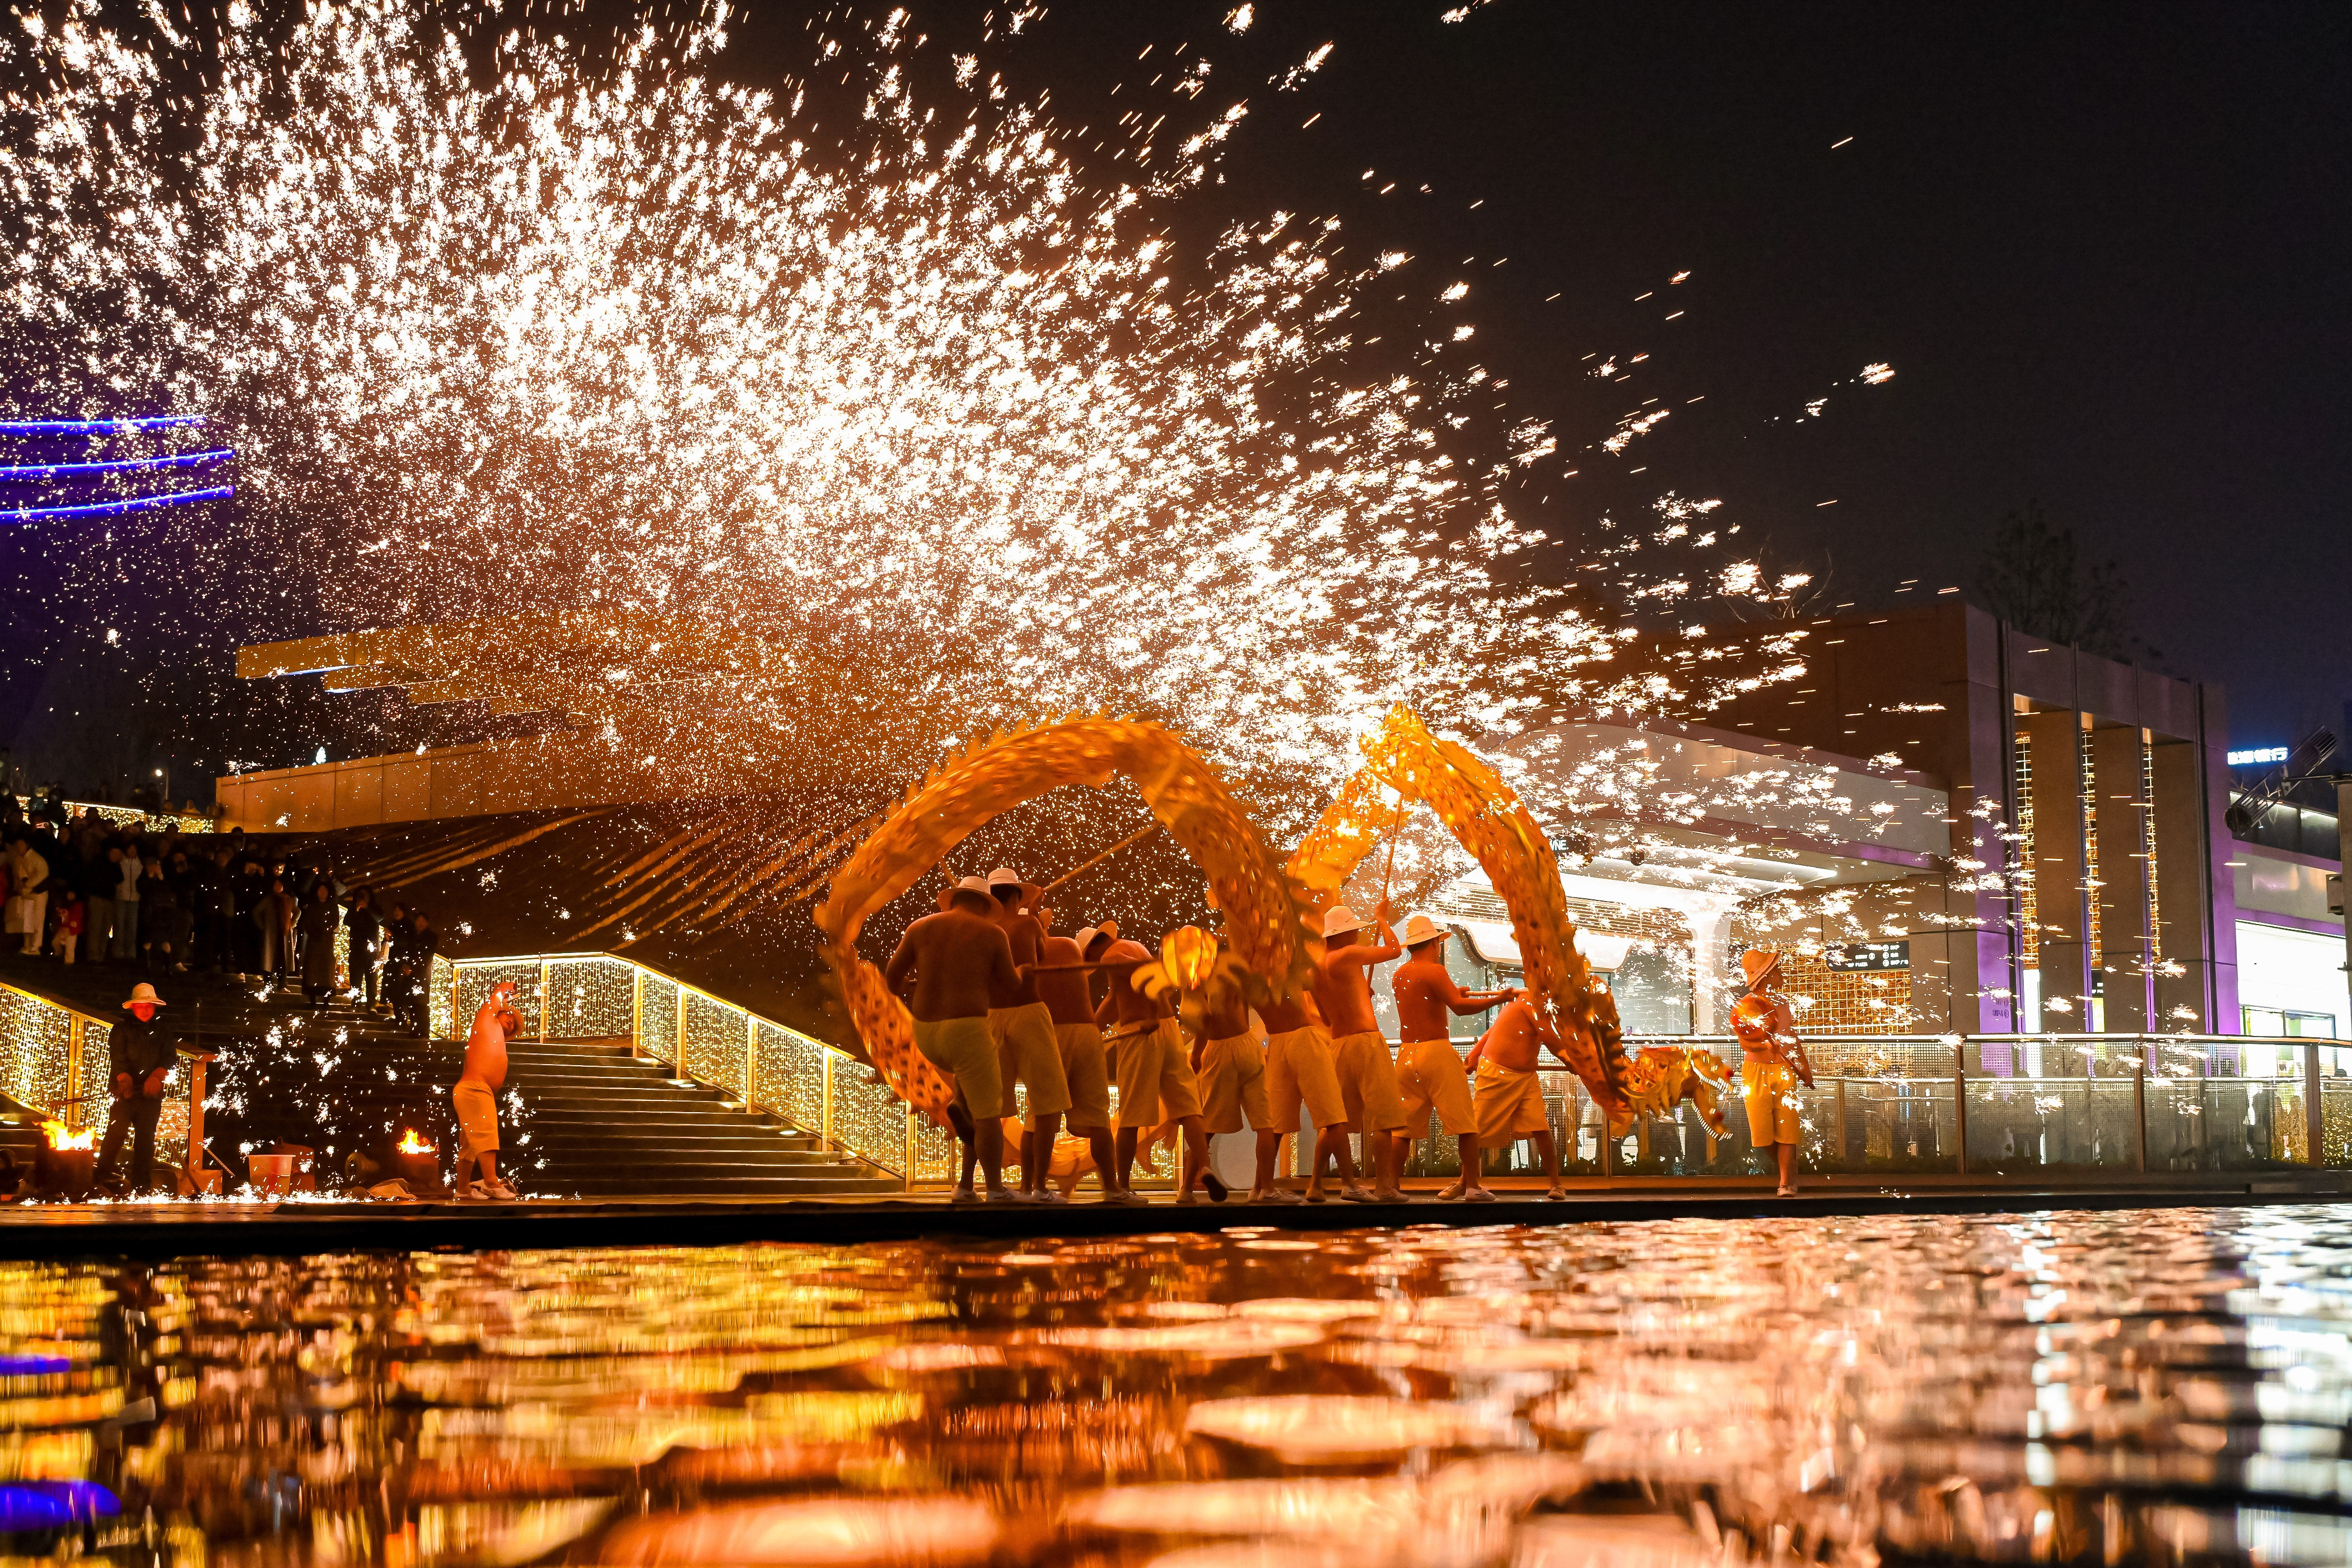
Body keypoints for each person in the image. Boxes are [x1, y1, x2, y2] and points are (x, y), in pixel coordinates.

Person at [883, 875, 1025, 1202]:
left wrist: (908, 987)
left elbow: (892, 978)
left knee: (970, 1100)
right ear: (984, 904)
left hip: (927, 1032)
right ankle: (995, 1189)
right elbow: (1011, 986)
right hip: (967, 1030)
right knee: (989, 1114)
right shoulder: (992, 933)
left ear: (957, 899)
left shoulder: (919, 928)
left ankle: (964, 1185)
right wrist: (1024, 973)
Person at [1094, 925, 1220, 1203]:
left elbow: (1148, 969)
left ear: (1093, 946)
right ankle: (1205, 1168)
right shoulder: (1133, 944)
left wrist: (1149, 1012)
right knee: (1187, 1107)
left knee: (1130, 1115)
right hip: (1169, 1030)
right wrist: (1092, 1027)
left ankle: (1122, 1188)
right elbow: (1117, 996)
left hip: (1145, 1032)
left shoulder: (1110, 956)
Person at [1390, 914, 1511, 1202]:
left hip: (1407, 1055)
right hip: (1436, 1052)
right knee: (1466, 1124)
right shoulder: (1435, 971)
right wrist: (1500, 998)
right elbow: (1458, 1008)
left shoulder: (1400, 975)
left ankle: (1391, 1186)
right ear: (1433, 943)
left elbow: (1427, 999)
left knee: (1403, 1129)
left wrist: (1452, 992)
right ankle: (1472, 1187)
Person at [983, 868, 1075, 1201]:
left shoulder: (984, 928)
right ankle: (1037, 1188)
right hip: (1028, 1011)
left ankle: (989, 1185)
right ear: (1016, 896)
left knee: (988, 1106)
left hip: (991, 1016)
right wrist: (1034, 912)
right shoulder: (1027, 923)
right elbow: (1043, 956)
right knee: (1049, 1101)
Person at [1312, 900, 1411, 1202]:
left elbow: (1327, 1018)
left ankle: (1317, 1184)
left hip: (1338, 1045)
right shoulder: (1348, 955)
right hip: (1366, 1042)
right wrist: (1382, 919)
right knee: (1384, 1116)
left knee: (1335, 1121)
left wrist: (1357, 992)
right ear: (1341, 935)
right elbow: (1395, 950)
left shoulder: (1315, 969)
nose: (1356, 936)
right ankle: (1383, 1187)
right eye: (1353, 931)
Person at [1038, 917, 1126, 1202]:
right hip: (1087, 1031)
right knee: (1098, 1117)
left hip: (1055, 1032)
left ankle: (1034, 1188)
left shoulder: (1023, 949)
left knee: (1042, 1115)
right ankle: (1112, 1189)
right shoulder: (1066, 947)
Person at [1464, 988, 1570, 1199]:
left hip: (1526, 1076)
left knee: (1540, 1127)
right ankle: (1468, 1184)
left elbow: (1494, 1031)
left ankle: (1557, 1185)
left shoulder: (1542, 1003)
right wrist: (1570, 1061)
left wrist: (1474, 1053)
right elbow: (1548, 1037)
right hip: (1496, 1071)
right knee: (1477, 1129)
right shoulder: (1529, 999)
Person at [1190, 956, 1279, 1203]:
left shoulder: (1198, 976)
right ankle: (1265, 1189)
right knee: (1265, 1123)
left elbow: (1203, 1018)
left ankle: (1186, 1190)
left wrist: (1196, 1053)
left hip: (1218, 1049)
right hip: (1247, 1044)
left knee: (1206, 1126)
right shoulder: (1238, 971)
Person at [1259, 983, 1357, 1202]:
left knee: (1275, 1124)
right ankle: (1350, 1184)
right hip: (1303, 1038)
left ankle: (1262, 1187)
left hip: (1277, 1041)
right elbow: (1327, 1016)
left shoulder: (1246, 973)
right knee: (1333, 1114)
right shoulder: (1285, 962)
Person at [1732, 949, 1812, 1197]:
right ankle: (1788, 1172)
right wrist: (1766, 1045)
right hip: (1756, 1071)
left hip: (1784, 1070)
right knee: (1763, 1133)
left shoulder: (1783, 1004)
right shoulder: (1745, 1006)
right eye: (1777, 971)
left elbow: (1792, 1038)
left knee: (1787, 1126)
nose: (1782, 975)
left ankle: (1786, 1182)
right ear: (1765, 976)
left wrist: (1803, 1068)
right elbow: (1746, 1041)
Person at [97, 982, 180, 1196]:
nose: (145, 1009)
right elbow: (118, 1058)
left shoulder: (164, 1031)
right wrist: (123, 1079)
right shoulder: (120, 1030)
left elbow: (170, 1057)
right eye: (141, 1005)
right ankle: (101, 1178)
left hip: (150, 1096)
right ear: (133, 1007)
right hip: (123, 1094)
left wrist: (158, 1075)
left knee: (145, 1139)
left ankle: (142, 1186)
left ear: (154, 1007)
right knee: (116, 1133)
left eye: (149, 1006)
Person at [452, 978, 522, 1200]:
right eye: (508, 1015)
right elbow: (496, 997)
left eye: (515, 1021)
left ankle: (462, 1188)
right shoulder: (485, 1020)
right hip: (475, 1088)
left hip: (474, 1090)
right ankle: (491, 1182)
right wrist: (506, 989)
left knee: (470, 1145)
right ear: (497, 1012)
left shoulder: (497, 1038)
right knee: (487, 1134)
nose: (511, 1020)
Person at [6, 832, 49, 956]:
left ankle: (36, 946)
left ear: (27, 845)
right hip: (26, 893)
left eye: (21, 845)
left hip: (38, 893)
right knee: (27, 921)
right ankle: (28, 945)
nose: (19, 848)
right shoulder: (19, 859)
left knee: (37, 920)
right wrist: (20, 886)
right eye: (17, 845)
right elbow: (17, 875)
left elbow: (42, 874)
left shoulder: (37, 859)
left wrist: (28, 884)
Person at [296, 881, 339, 1005]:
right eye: (320, 890)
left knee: (326, 969)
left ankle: (326, 999)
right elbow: (306, 922)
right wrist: (313, 931)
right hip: (313, 942)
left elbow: (335, 921)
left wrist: (325, 930)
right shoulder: (313, 906)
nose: (322, 892)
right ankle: (313, 998)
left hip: (326, 942)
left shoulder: (332, 906)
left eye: (325, 890)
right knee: (312, 968)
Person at [346, 888, 384, 1006]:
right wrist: (356, 910)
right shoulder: (354, 908)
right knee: (355, 976)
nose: (361, 898)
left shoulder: (375, 908)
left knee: (372, 977)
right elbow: (347, 922)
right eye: (360, 896)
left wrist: (367, 907)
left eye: (364, 895)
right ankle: (356, 1000)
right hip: (356, 948)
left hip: (372, 949)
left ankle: (371, 1003)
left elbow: (379, 917)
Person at [255, 875, 296, 983]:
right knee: (269, 958)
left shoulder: (288, 899)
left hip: (284, 933)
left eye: (280, 885)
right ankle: (268, 983)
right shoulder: (268, 899)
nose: (278, 887)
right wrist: (262, 926)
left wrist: (292, 924)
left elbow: (298, 912)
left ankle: (282, 984)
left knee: (283, 959)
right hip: (271, 933)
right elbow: (256, 912)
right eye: (276, 885)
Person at [111, 834, 142, 963]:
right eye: (130, 849)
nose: (132, 851)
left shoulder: (140, 865)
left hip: (135, 898)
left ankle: (131, 952)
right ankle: (118, 951)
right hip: (121, 897)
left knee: (132, 927)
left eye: (134, 849)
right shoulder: (121, 863)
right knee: (119, 925)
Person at [50, 889, 84, 964]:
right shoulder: (64, 904)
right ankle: (59, 956)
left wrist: (66, 915)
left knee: (70, 949)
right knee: (55, 943)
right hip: (63, 929)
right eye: (69, 894)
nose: (70, 896)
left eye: (72, 894)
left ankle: (69, 964)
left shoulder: (78, 905)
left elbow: (77, 917)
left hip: (72, 930)